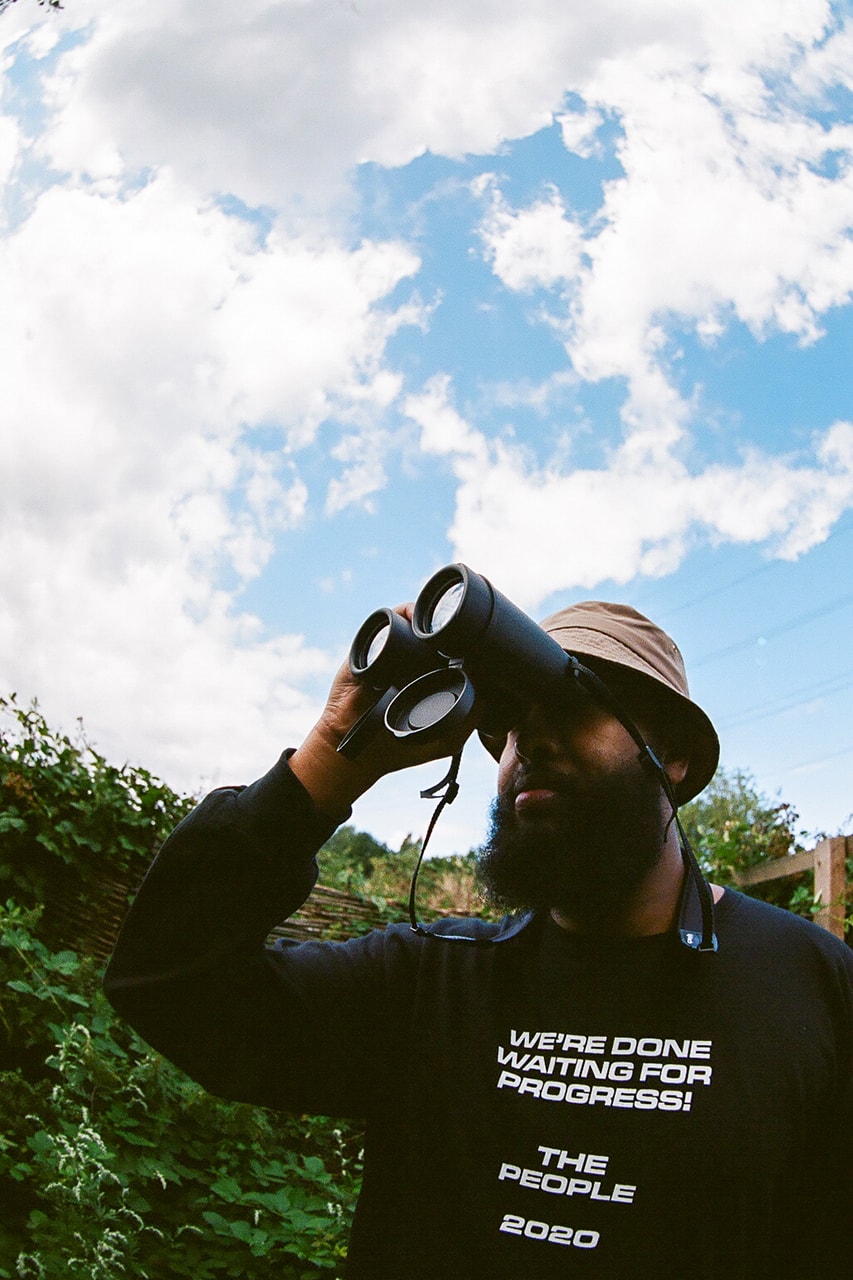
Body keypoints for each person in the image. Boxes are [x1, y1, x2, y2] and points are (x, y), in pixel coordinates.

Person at [104, 596, 852, 1279]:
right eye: (507, 720)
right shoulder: (431, 980)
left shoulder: (810, 982)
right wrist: (334, 753)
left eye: (572, 706)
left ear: (674, 755)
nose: (527, 742)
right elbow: (172, 984)